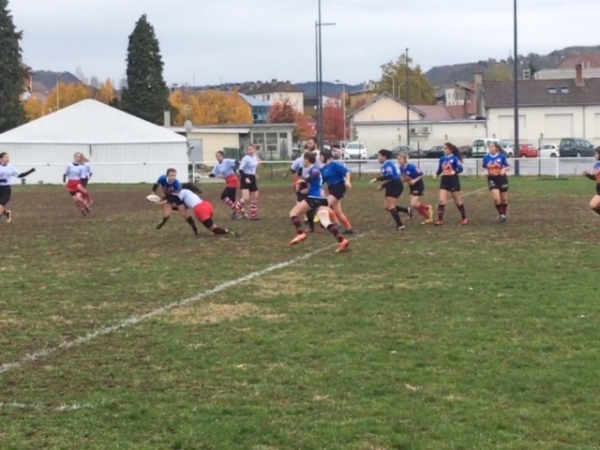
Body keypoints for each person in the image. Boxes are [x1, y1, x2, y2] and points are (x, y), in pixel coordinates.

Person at [288, 152, 349, 252]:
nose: (303, 161)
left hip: (314, 198)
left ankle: (300, 233)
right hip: (320, 198)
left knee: (293, 213)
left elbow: (315, 174)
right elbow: (315, 184)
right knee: (326, 222)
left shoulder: (314, 169)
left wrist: (303, 180)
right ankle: (342, 240)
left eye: (304, 159)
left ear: (307, 160)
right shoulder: (312, 170)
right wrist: (306, 189)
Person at [370, 149, 412, 231]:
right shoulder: (385, 164)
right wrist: (383, 185)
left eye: (379, 156)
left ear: (384, 156)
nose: (378, 158)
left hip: (395, 185)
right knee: (386, 207)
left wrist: (377, 179)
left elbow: (390, 175)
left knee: (391, 206)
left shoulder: (388, 164)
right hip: (391, 184)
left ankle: (400, 225)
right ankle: (406, 209)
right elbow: (390, 178)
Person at [152, 168, 198, 235]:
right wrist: (153, 193)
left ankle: (195, 228)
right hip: (168, 196)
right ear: (167, 175)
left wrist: (161, 202)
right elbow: (156, 184)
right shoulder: (162, 178)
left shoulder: (176, 184)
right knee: (167, 215)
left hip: (177, 197)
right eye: (171, 175)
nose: (173, 177)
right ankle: (163, 221)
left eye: (174, 176)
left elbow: (173, 197)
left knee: (184, 214)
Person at [433, 143, 468, 225]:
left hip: (453, 181)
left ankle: (464, 217)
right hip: (444, 180)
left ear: (450, 150)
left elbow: (460, 168)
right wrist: (436, 174)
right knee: (442, 200)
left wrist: (454, 171)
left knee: (457, 201)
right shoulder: (442, 159)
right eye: (443, 148)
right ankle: (440, 220)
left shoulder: (455, 158)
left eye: (445, 148)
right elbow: (439, 169)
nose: (444, 150)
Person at [320, 150, 354, 234]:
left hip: (339, 187)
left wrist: (347, 181)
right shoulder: (323, 168)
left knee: (324, 205)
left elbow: (347, 171)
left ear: (326, 157)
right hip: (331, 188)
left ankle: (335, 223)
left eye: (320, 156)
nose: (319, 158)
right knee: (337, 211)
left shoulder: (334, 165)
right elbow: (322, 181)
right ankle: (348, 228)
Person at [398, 153, 433, 225]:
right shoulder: (401, 168)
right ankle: (428, 218)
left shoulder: (412, 167)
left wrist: (414, 180)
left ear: (405, 160)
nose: (398, 161)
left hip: (418, 185)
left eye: (400, 159)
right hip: (412, 186)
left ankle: (427, 207)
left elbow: (421, 174)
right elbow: (405, 178)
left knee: (413, 204)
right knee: (416, 205)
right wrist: (404, 180)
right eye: (398, 159)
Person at [209, 151, 246, 219]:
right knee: (232, 200)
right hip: (228, 181)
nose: (218, 157)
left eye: (219, 156)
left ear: (223, 156)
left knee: (223, 196)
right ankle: (242, 212)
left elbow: (236, 162)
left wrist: (235, 170)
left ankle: (236, 211)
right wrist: (210, 175)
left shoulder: (227, 161)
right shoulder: (217, 164)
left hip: (233, 180)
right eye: (217, 156)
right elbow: (214, 173)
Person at [0, 152, 35, 223]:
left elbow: (20, 175)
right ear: (1, 159)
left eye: (8, 157)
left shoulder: (10, 167)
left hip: (5, 190)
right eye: (5, 157)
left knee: (0, 206)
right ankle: (6, 213)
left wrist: (30, 171)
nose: (7, 159)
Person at [482, 141, 510, 222]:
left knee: (504, 199)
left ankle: (504, 214)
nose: (490, 148)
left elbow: (507, 166)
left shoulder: (502, 157)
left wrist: (504, 169)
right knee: (496, 199)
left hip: (502, 179)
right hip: (492, 179)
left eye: (492, 146)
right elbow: (483, 167)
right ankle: (501, 214)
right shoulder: (486, 158)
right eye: (489, 147)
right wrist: (485, 172)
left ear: (496, 148)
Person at [235, 144, 260, 220]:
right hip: (245, 178)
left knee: (255, 197)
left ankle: (253, 216)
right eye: (248, 149)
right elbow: (240, 170)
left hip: (252, 178)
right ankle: (235, 211)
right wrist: (246, 178)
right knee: (246, 197)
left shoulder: (255, 157)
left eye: (251, 149)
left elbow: (253, 167)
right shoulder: (246, 158)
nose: (250, 151)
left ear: (254, 150)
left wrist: (254, 174)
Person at [583, 147, 600, 216]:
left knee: (593, 204)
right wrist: (587, 175)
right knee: (594, 205)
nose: (595, 155)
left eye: (596, 153)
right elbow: (596, 178)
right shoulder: (597, 165)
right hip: (598, 189)